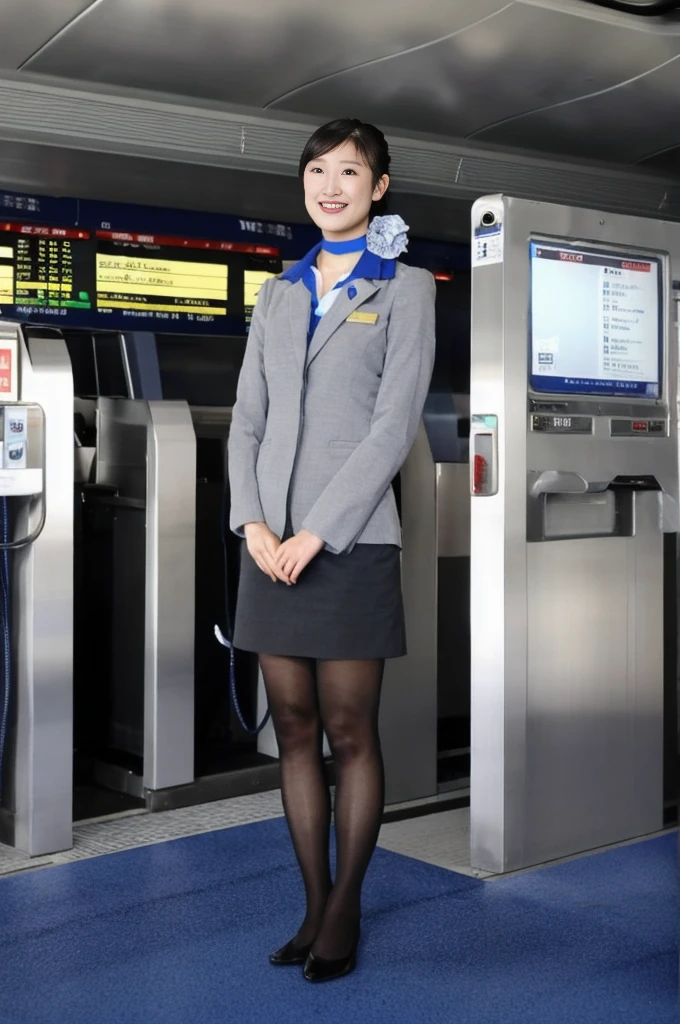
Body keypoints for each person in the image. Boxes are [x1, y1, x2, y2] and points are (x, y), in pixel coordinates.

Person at [227, 117, 436, 983]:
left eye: (350, 172)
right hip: (271, 546)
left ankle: (345, 909)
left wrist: (318, 530)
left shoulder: (409, 286)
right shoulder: (276, 294)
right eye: (318, 170)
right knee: (296, 731)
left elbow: (394, 428)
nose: (331, 185)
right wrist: (255, 526)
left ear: (378, 187)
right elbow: (247, 420)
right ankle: (312, 903)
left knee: (350, 730)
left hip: (347, 543)